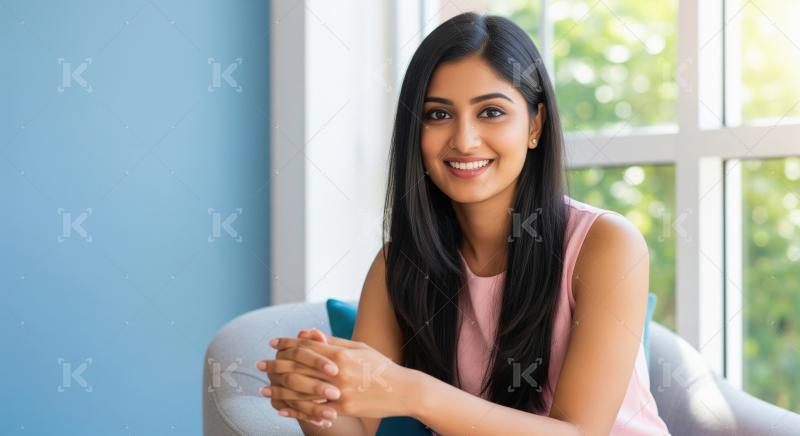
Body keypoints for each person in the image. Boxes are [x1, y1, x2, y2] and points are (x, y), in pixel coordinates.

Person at [256, 11, 671, 435]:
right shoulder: (398, 265)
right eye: (438, 115)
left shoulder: (606, 244)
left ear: (535, 124)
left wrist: (411, 391)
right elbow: (357, 430)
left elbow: (581, 432)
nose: (464, 139)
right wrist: (313, 397)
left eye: (491, 112)